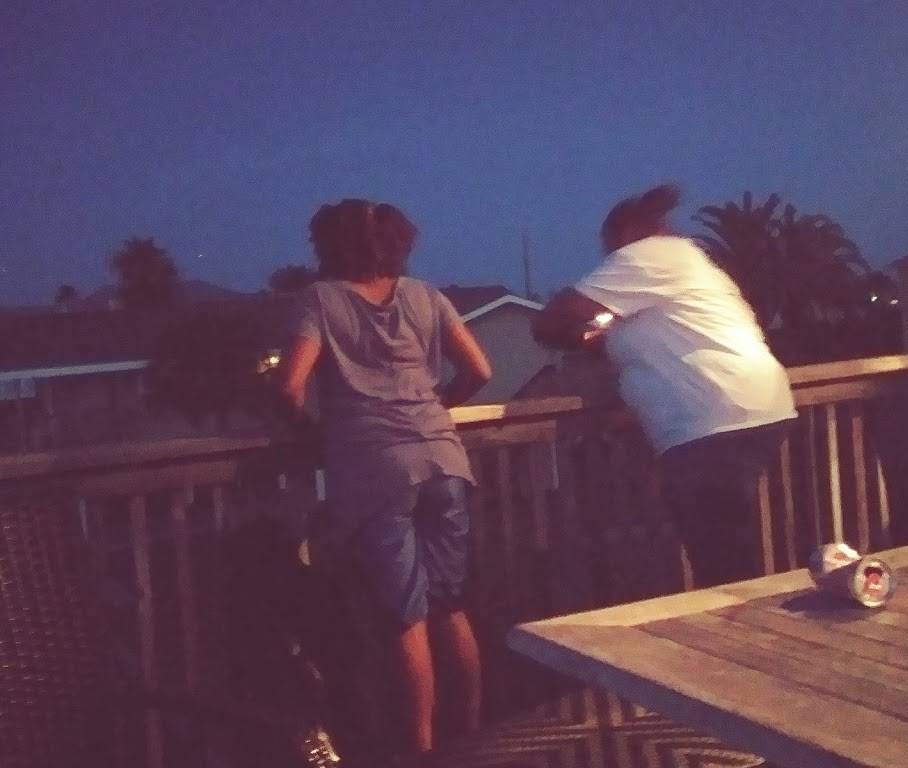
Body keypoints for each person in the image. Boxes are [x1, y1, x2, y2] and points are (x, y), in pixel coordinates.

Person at [279, 198, 492, 758]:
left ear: (330, 244)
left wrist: (317, 430)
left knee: (406, 617)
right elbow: (480, 370)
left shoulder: (319, 300)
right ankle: (474, 738)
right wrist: (436, 408)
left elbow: (289, 387)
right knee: (451, 605)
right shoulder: (427, 296)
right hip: (443, 460)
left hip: (374, 470)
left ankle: (422, 752)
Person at [533, 184, 796, 588]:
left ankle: (740, 623)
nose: (608, 258)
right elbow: (653, 347)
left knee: (720, 563)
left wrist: (575, 337)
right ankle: (743, 615)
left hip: (714, 420)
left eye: (608, 247)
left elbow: (551, 320)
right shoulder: (681, 266)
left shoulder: (646, 256)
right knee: (723, 549)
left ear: (623, 235)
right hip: (737, 410)